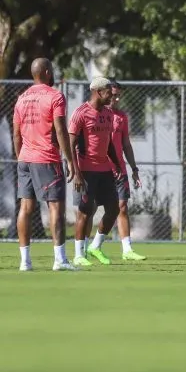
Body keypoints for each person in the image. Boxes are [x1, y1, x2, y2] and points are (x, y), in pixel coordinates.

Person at [12, 58, 78, 271]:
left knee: (25, 208)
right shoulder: (55, 96)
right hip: (46, 159)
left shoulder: (21, 98)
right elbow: (60, 129)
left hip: (25, 158)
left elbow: (15, 133)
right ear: (48, 72)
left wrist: (20, 157)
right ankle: (59, 260)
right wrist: (69, 160)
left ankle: (25, 262)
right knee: (55, 207)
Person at [88, 80, 145, 262]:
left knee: (122, 207)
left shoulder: (121, 117)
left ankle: (126, 249)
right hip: (99, 169)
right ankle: (81, 249)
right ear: (104, 93)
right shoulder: (96, 114)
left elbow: (126, 144)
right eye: (113, 94)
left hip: (119, 170)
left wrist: (134, 168)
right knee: (90, 208)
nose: (116, 98)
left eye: (119, 95)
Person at [69, 77, 121, 268]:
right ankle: (78, 254)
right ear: (98, 92)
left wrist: (117, 165)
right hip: (86, 170)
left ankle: (96, 246)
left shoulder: (108, 114)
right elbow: (70, 145)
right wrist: (76, 173)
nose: (112, 95)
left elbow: (108, 144)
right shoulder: (80, 113)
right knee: (85, 212)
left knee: (114, 209)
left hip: (105, 170)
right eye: (109, 91)